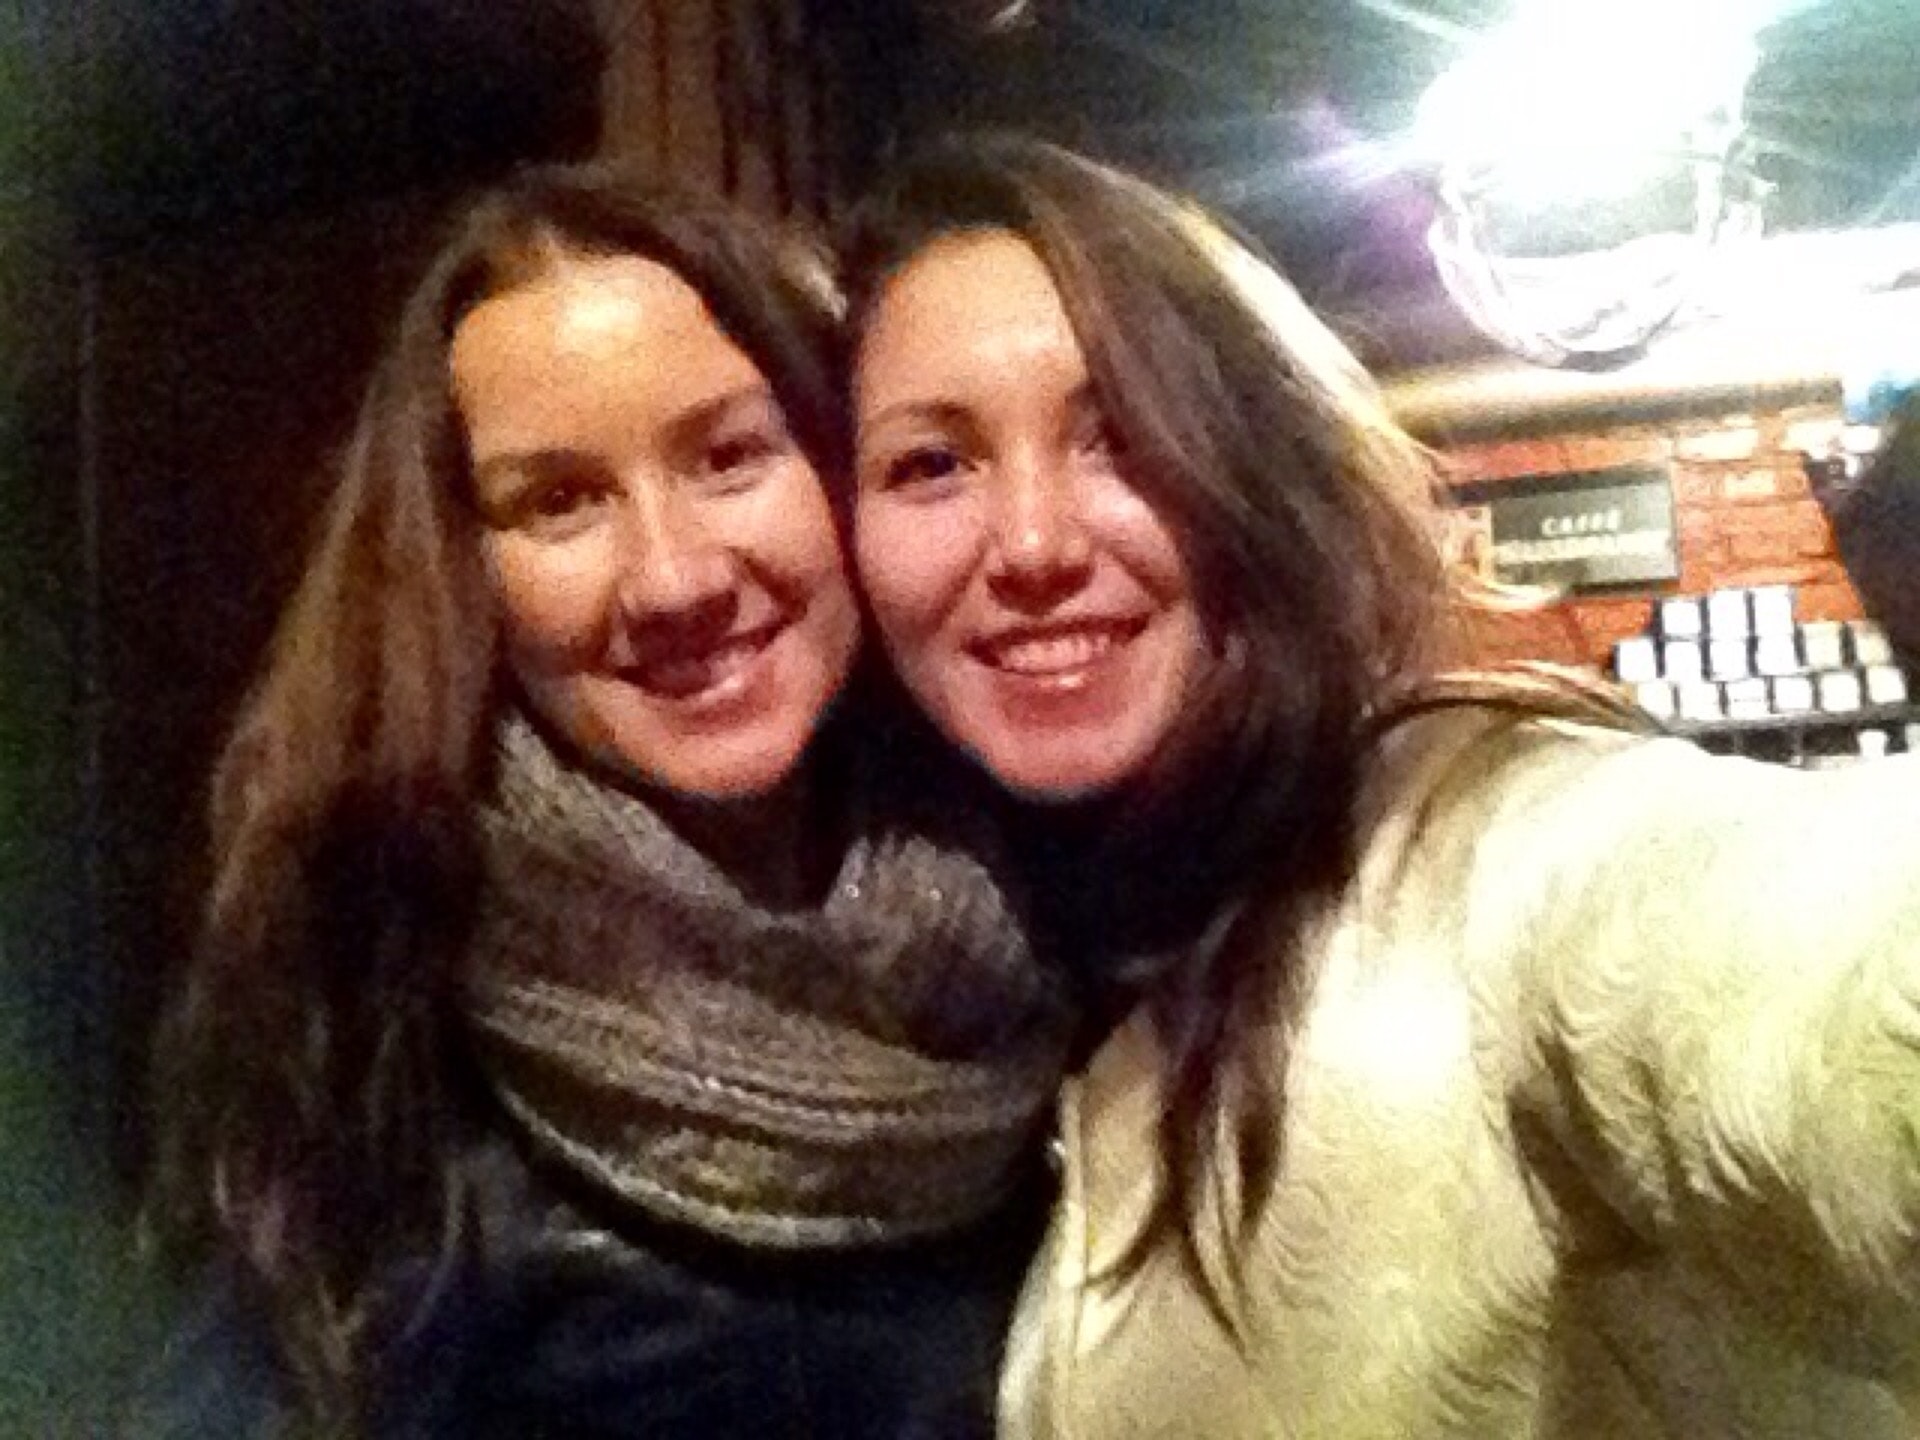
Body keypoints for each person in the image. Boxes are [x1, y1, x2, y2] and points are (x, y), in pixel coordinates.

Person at [841, 134, 1920, 1439]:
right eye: (931, 464)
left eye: (1118, 435)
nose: (1030, 544)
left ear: (1258, 463)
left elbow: (1796, 972)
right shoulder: (1019, 992)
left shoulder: (1495, 856)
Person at [137, 161, 1073, 1439]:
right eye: (560, 500)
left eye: (730, 455)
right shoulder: (383, 1029)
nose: (673, 579)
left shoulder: (1044, 874)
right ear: (465, 563)